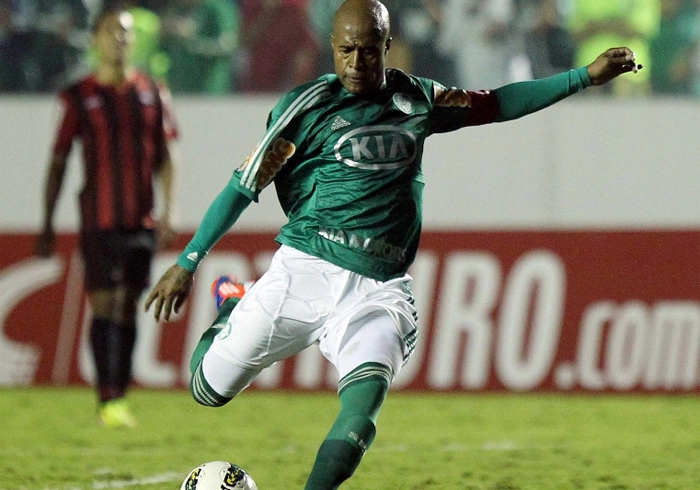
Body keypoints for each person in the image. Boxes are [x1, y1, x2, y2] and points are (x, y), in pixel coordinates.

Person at [144, 0, 640, 487]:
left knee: (361, 412)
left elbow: (498, 102)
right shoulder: (305, 107)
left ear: (387, 46)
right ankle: (233, 302)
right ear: (332, 47)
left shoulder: (417, 98)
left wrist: (583, 77)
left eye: (368, 50)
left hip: (378, 290)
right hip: (304, 271)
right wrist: (188, 263)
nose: (357, 63)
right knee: (207, 391)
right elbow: (242, 188)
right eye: (346, 51)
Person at [35, 5, 178, 428]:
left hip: (142, 220)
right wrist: (46, 221)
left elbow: (168, 155)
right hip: (97, 221)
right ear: (95, 37)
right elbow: (59, 161)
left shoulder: (153, 91)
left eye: (127, 32)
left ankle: (119, 395)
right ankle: (107, 398)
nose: (121, 38)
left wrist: (170, 208)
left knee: (129, 306)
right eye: (113, 31)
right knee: (105, 303)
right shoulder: (78, 96)